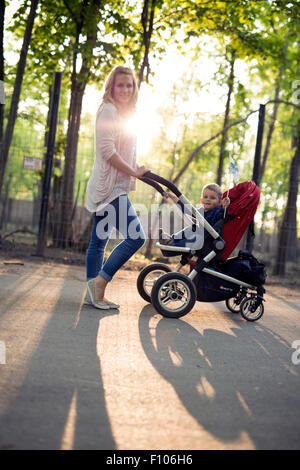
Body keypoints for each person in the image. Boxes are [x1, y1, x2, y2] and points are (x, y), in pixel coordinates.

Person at [85, 65, 150, 310]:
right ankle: (99, 284)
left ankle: (92, 294)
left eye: (129, 85)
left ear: (134, 89)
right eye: (120, 84)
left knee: (98, 243)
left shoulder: (125, 114)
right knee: (136, 237)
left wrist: (136, 169)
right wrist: (133, 171)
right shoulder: (109, 111)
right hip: (109, 189)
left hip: (113, 186)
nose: (125, 89)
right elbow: (107, 151)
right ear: (111, 86)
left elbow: (124, 150)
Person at [160, 183, 230, 249]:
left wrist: (224, 207)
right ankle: (171, 240)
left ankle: (175, 245)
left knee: (196, 237)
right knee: (190, 229)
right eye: (205, 197)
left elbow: (222, 217)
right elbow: (188, 210)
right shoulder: (201, 211)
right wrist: (175, 199)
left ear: (219, 202)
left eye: (212, 198)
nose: (208, 199)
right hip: (198, 233)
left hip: (206, 240)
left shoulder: (217, 211)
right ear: (201, 200)